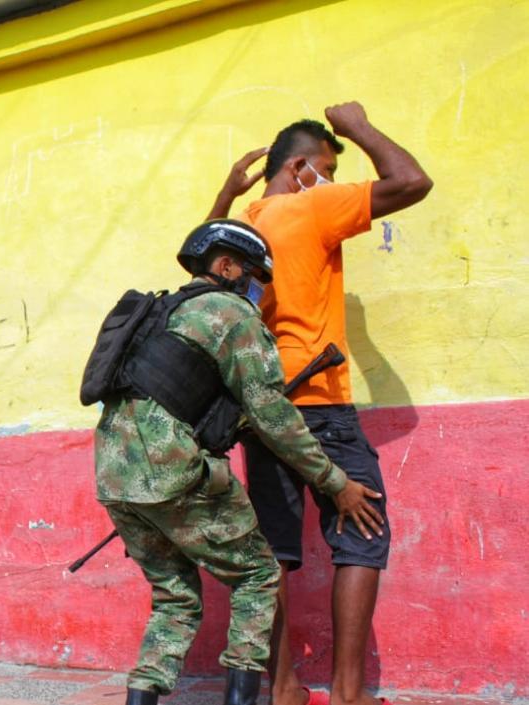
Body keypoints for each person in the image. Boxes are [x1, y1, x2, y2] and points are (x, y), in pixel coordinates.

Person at [94, 220, 385, 705]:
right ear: (224, 266)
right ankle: (249, 697)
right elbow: (273, 415)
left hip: (113, 477)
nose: (256, 293)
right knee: (258, 576)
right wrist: (336, 483)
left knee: (174, 599)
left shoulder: (164, 312)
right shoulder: (231, 314)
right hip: (173, 472)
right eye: (253, 279)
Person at [207, 102, 432, 705]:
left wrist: (225, 195)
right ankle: (350, 693)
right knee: (363, 531)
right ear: (302, 167)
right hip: (320, 401)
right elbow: (412, 181)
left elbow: (204, 272)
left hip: (260, 408)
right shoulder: (312, 202)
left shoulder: (249, 223)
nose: (335, 178)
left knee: (276, 547)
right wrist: (358, 125)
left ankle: (282, 686)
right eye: (329, 166)